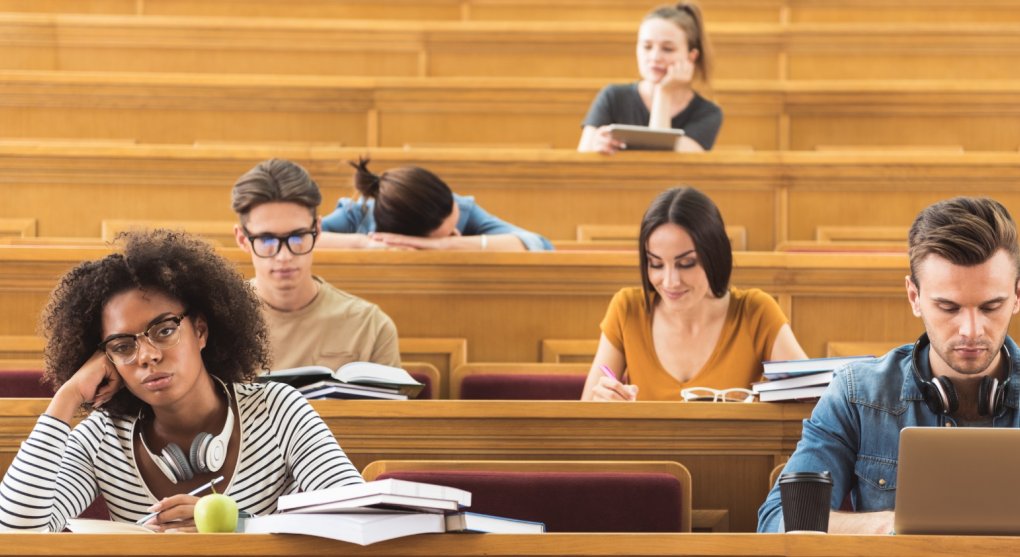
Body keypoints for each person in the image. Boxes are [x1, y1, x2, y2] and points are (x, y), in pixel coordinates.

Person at [0, 229, 363, 532]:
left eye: (164, 330)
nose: (147, 355)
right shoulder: (101, 438)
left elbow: (359, 521)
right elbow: (15, 532)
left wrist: (238, 526)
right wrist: (68, 395)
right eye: (123, 345)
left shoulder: (278, 410)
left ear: (200, 330)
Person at [757, 197, 1020, 534]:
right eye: (948, 307)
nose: (971, 330)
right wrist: (892, 526)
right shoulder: (858, 393)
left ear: (1016, 297)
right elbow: (780, 521)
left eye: (990, 307)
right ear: (914, 297)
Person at [581, 187, 806, 401]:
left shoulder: (756, 311)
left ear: (714, 256)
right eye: (656, 264)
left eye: (686, 263)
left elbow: (816, 402)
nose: (670, 282)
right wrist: (606, 401)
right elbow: (585, 416)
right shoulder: (627, 308)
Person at [231, 159, 400, 370]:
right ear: (242, 239)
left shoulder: (370, 326)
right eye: (266, 240)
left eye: (297, 237)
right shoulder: (217, 325)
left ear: (318, 230)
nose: (284, 256)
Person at [578, 3, 722, 154]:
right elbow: (581, 164)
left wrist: (664, 92)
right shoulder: (612, 96)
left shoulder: (707, 112)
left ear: (691, 56)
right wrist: (596, 147)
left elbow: (662, 164)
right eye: (647, 46)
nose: (655, 57)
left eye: (667, 49)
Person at [319, 158, 553, 251]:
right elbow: (304, 238)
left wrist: (445, 244)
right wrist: (365, 244)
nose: (457, 226)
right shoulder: (358, 213)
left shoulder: (461, 208)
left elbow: (539, 245)